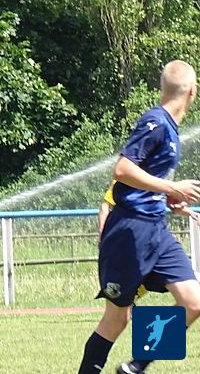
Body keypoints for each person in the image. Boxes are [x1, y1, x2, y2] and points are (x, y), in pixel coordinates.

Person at [77, 60, 200, 374]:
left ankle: (134, 367)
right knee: (117, 319)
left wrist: (168, 198)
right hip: (129, 230)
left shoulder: (170, 128)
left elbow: (145, 178)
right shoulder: (155, 121)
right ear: (193, 91)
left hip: (156, 228)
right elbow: (122, 169)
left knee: (193, 302)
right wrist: (172, 186)